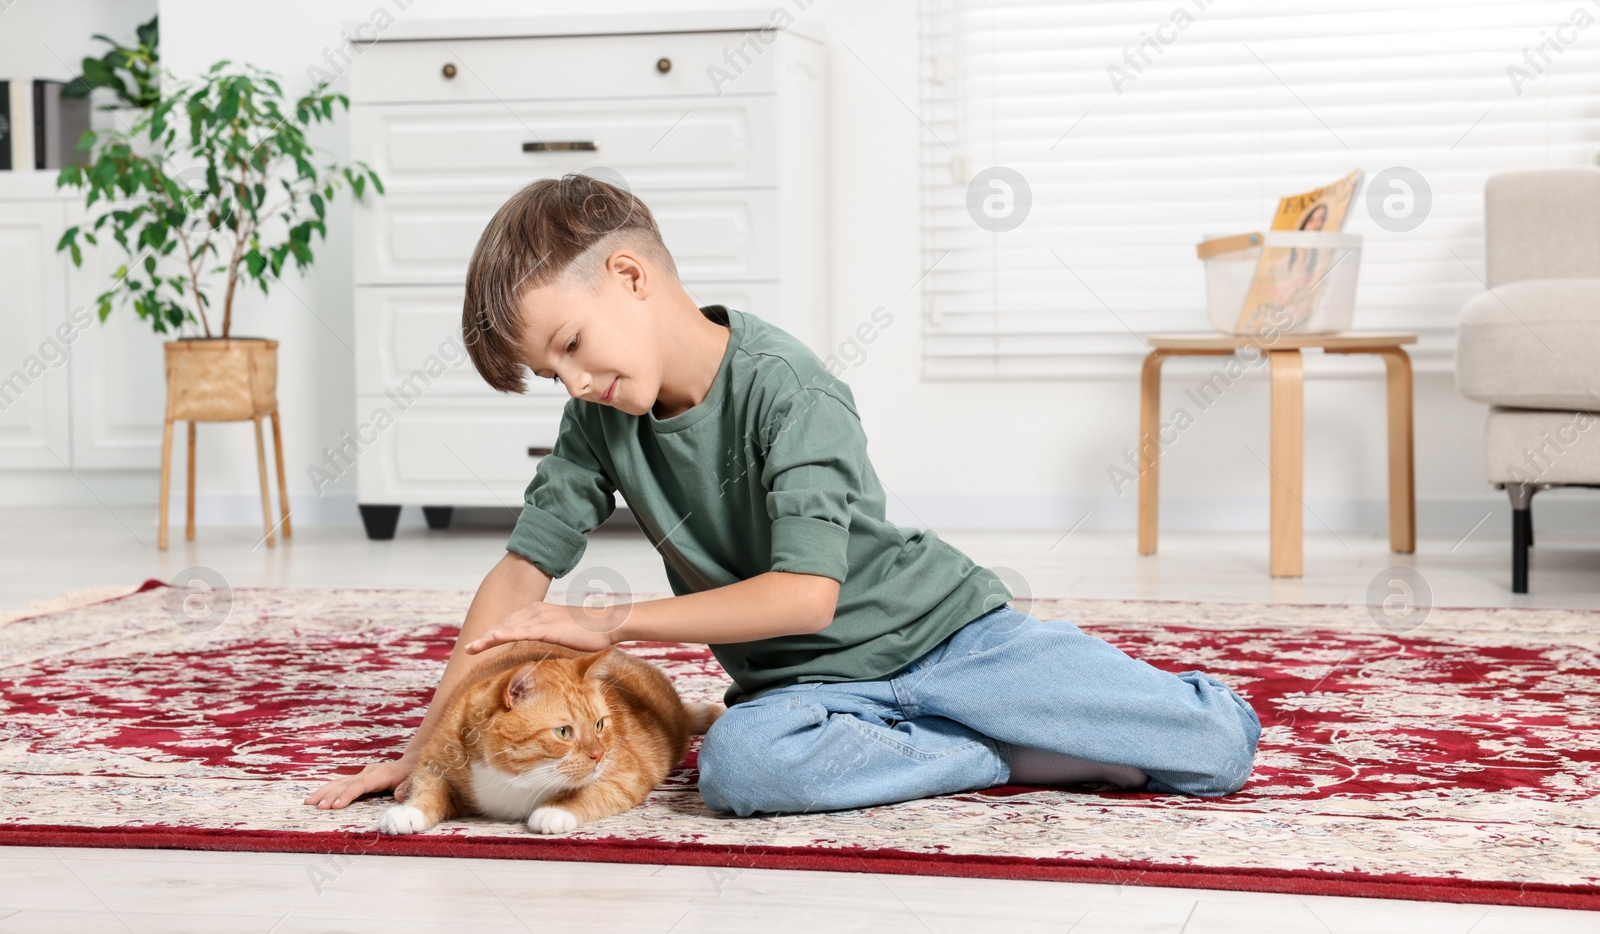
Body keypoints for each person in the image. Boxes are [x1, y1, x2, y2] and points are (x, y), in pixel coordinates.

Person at [304, 174, 1261, 817]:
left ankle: (1006, 715)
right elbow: (521, 572)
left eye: (568, 346)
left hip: (945, 636)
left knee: (1215, 749)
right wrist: (434, 742)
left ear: (630, 277)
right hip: (801, 689)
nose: (572, 382)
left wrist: (617, 624)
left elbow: (809, 596)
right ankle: (1005, 753)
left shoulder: (789, 389)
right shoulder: (599, 418)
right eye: (550, 371)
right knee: (737, 770)